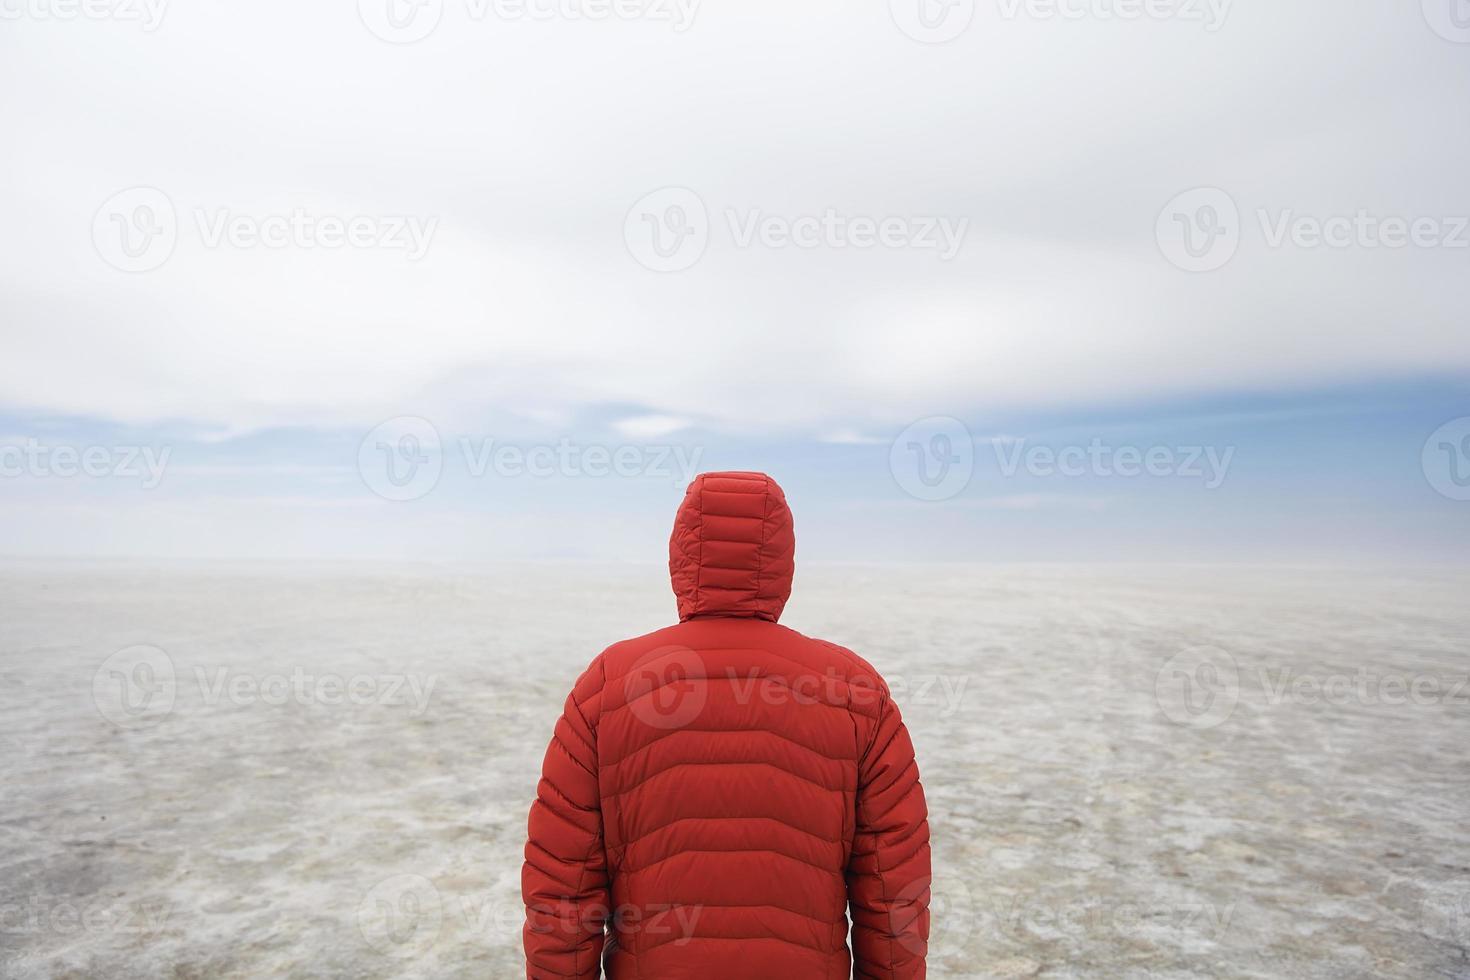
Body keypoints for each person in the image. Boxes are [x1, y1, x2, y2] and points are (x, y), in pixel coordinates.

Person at [522, 471, 931, 978]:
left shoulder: (609, 684)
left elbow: (563, 887)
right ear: (781, 561)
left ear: (680, 555)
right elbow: (894, 893)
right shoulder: (852, 688)